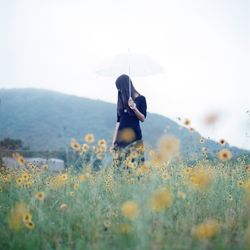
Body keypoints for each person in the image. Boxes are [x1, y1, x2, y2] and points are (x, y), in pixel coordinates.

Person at [111, 74, 147, 171]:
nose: (119, 91)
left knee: (136, 166)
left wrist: (134, 108)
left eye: (120, 88)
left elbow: (142, 118)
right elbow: (118, 122)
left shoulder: (141, 99)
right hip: (121, 139)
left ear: (126, 86)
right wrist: (114, 142)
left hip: (135, 137)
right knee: (119, 168)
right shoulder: (122, 101)